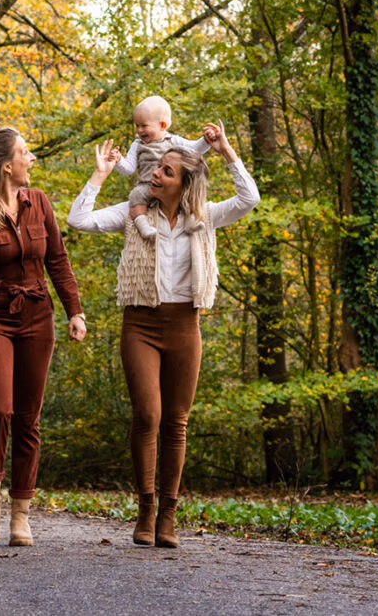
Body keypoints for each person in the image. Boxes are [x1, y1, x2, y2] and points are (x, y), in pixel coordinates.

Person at [66, 120, 258, 548]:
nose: (154, 173)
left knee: (176, 422)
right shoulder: (134, 215)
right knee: (147, 416)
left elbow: (250, 198)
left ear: (184, 183)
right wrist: (99, 175)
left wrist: (226, 149)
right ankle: (145, 509)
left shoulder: (204, 217)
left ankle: (168, 515)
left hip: (184, 326)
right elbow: (78, 220)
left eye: (166, 172)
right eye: (156, 168)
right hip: (141, 324)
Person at [0, 127, 87, 546]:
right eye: (25, 153)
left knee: (29, 418)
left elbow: (58, 259)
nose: (32, 159)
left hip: (37, 318)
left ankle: (21, 513)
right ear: (6, 166)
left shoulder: (40, 202)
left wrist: (75, 310)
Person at [115, 95, 210, 239]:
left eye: (144, 126)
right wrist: (118, 160)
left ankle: (191, 220)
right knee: (135, 196)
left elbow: (195, 149)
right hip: (147, 187)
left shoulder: (174, 141)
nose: (139, 130)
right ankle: (143, 226)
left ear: (163, 125)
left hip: (170, 190)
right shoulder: (137, 144)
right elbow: (128, 169)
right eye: (137, 126)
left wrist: (206, 140)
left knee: (186, 191)